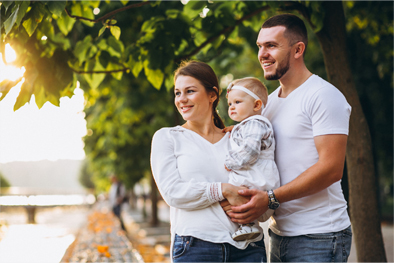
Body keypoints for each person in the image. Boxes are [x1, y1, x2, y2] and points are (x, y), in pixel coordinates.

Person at [221, 14, 352, 262]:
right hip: (279, 234)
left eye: (271, 45)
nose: (262, 54)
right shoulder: (267, 105)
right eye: (260, 46)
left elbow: (332, 168)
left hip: (320, 235)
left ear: (298, 49)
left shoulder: (323, 95)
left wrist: (270, 198)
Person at [150, 61, 266, 262]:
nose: (182, 99)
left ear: (212, 95)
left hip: (249, 247)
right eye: (177, 93)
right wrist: (224, 190)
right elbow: (173, 193)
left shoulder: (239, 139)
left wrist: (251, 204)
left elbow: (264, 179)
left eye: (190, 91)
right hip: (195, 247)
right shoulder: (167, 137)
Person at [224, 77, 280, 241]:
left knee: (234, 189)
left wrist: (229, 163)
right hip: (257, 174)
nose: (232, 107)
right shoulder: (251, 124)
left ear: (256, 105)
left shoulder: (254, 123)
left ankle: (249, 225)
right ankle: (248, 225)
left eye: (237, 102)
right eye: (230, 104)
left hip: (256, 175)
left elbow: (250, 152)